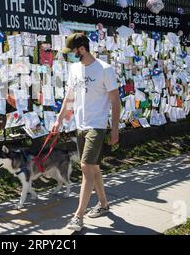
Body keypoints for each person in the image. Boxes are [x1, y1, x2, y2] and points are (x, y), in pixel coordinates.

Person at [52, 33, 121, 232]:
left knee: (85, 168)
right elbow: (69, 97)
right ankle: (103, 204)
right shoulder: (74, 69)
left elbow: (115, 101)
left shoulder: (104, 69)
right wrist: (59, 119)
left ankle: (78, 216)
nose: (70, 55)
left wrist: (114, 129)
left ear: (81, 49)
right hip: (80, 125)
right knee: (94, 169)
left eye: (72, 51)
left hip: (97, 126)